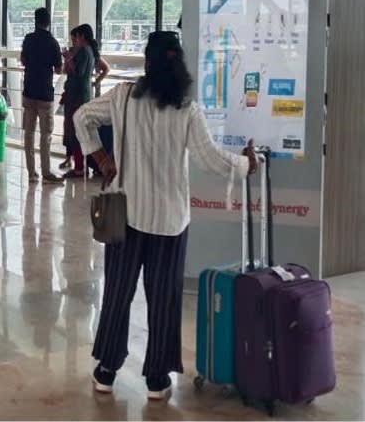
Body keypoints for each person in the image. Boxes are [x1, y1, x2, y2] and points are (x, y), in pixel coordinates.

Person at [74, 31, 258, 401]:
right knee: (163, 298)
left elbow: (81, 117)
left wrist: (102, 160)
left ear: (147, 63)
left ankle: (107, 370)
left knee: (118, 293)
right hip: (170, 222)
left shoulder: (124, 98)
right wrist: (246, 165)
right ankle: (157, 379)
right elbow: (211, 159)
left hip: (126, 215)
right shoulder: (187, 110)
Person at [20, 8, 64, 184]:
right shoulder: (53, 43)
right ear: (49, 22)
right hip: (45, 94)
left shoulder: (28, 39)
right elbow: (59, 69)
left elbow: (23, 60)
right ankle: (46, 172)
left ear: (35, 21)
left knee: (29, 134)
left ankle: (31, 173)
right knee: (45, 135)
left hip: (29, 92)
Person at [61, 24, 99, 179]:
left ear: (82, 36)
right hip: (78, 94)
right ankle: (81, 164)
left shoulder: (84, 51)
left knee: (76, 130)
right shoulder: (88, 51)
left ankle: (79, 167)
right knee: (78, 130)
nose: (74, 40)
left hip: (77, 96)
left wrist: (68, 58)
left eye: (76, 37)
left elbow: (78, 73)